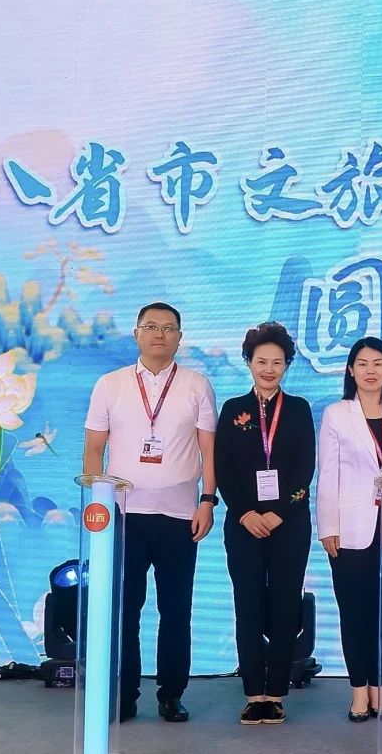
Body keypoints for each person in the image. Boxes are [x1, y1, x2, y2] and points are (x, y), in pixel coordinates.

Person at [81, 302, 218, 723]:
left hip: (180, 516)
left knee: (176, 611)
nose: (160, 334)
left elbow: (209, 451)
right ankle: (124, 694)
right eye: (151, 326)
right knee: (126, 609)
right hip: (124, 516)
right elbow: (93, 450)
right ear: (136, 333)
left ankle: (171, 694)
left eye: (169, 328)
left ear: (180, 337)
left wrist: (208, 500)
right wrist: (100, 506)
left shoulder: (197, 385)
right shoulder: (110, 384)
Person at [214, 322, 315, 725]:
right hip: (244, 524)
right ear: (249, 363)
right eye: (261, 361)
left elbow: (305, 469)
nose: (269, 369)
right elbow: (222, 467)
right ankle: (254, 693)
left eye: (277, 362)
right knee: (248, 604)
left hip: (289, 523)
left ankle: (276, 694)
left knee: (285, 605)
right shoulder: (232, 409)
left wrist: (278, 513)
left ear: (287, 365)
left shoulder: (300, 409)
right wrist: (245, 512)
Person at [316, 336, 382, 722]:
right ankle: (359, 689)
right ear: (351, 370)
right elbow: (328, 474)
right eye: (362, 363)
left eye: (378, 364)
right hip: (350, 527)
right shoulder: (336, 414)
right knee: (354, 610)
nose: (370, 370)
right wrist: (328, 525)